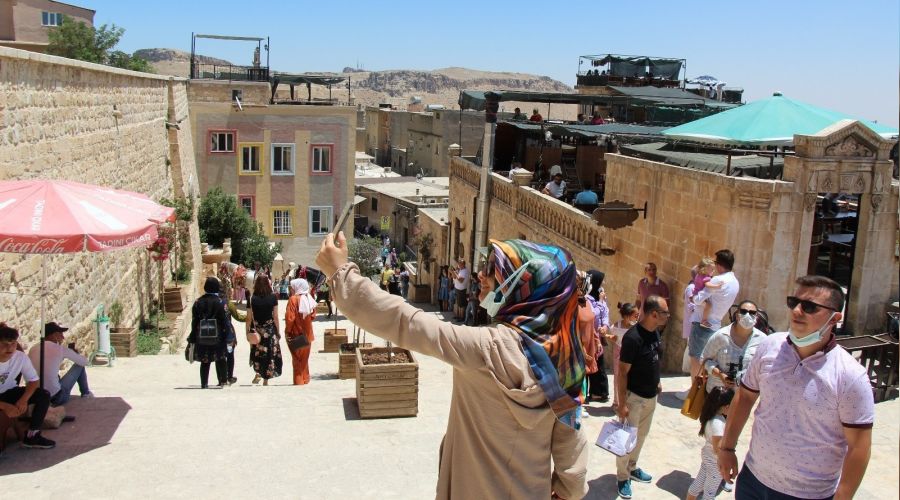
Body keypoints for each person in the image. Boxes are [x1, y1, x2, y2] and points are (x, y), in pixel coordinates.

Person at [316, 234, 589, 499]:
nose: (481, 275)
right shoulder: (567, 361)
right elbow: (572, 455)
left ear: (526, 288)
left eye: (493, 270)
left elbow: (406, 321)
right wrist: (566, 491)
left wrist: (341, 274)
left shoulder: (486, 348)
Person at [718, 276, 874, 500]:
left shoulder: (849, 376)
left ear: (835, 318)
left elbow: (859, 446)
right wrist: (726, 448)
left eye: (809, 306)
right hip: (753, 481)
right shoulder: (770, 346)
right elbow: (745, 396)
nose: (797, 311)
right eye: (794, 302)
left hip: (808, 494)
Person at [615, 295, 668, 500]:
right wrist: (622, 404)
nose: (668, 316)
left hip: (650, 396)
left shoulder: (655, 332)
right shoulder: (632, 338)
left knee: (641, 436)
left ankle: (632, 467)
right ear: (654, 314)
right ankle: (622, 477)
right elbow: (622, 373)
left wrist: (657, 380)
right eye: (665, 313)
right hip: (634, 398)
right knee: (627, 439)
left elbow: (654, 359)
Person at [0, 323, 55, 449]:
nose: (9, 348)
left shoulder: (20, 357)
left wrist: (24, 399)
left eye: (13, 343)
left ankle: (32, 436)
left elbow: (33, 381)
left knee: (43, 395)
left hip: (8, 392)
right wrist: (5, 406)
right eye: (4, 344)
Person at [689, 250, 739, 381]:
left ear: (720, 264)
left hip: (701, 324)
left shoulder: (718, 280)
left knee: (696, 358)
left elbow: (698, 299)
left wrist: (692, 298)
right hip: (716, 325)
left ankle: (694, 391)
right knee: (708, 360)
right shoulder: (735, 282)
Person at [701, 300, 766, 395]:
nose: (747, 315)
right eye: (743, 311)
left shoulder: (762, 340)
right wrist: (720, 374)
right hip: (717, 393)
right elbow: (704, 360)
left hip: (743, 396)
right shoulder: (721, 335)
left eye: (752, 312)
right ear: (737, 315)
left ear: (756, 317)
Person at [687, 386, 735, 500]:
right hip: (715, 461)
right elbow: (717, 449)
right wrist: (725, 464)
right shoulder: (718, 424)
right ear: (727, 406)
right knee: (710, 492)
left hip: (708, 456)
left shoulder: (711, 417)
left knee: (699, 482)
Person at [28, 322, 92, 405]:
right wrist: (75, 353)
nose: (63, 337)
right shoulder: (60, 349)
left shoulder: (33, 349)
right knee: (79, 366)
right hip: (56, 398)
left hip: (36, 396)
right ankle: (86, 393)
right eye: (60, 334)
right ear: (54, 335)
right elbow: (85, 362)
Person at [188, 277, 231, 388]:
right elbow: (225, 321)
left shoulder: (198, 302)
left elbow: (195, 321)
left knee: (205, 360)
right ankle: (223, 380)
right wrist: (228, 336)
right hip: (218, 336)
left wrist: (193, 335)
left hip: (202, 335)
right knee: (221, 358)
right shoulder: (221, 302)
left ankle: (204, 383)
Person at [247, 275, 282, 386]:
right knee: (269, 353)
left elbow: (248, 317)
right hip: (269, 330)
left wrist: (247, 331)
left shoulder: (252, 298)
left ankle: (258, 372)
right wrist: (278, 331)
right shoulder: (273, 297)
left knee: (257, 352)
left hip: (256, 330)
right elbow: (275, 316)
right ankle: (266, 379)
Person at [285, 278, 316, 385]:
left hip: (296, 334)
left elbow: (290, 318)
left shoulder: (293, 299)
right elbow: (313, 315)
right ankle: (305, 379)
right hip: (308, 334)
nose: (291, 289)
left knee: (297, 359)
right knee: (304, 359)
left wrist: (287, 331)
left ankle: (299, 381)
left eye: (292, 287)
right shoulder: (309, 297)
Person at [585, 270, 610, 403]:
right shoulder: (585, 297)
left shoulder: (600, 294)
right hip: (588, 336)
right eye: (600, 281)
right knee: (587, 362)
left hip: (598, 337)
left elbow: (605, 312)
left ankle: (599, 393)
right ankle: (584, 393)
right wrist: (600, 301)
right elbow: (592, 315)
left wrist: (605, 326)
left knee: (599, 364)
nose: (602, 284)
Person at [608, 302, 639, 409]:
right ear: (627, 316)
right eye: (635, 315)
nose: (637, 318)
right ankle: (617, 402)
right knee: (618, 377)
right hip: (619, 355)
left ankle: (629, 401)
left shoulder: (636, 327)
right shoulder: (616, 327)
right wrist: (606, 335)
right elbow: (614, 338)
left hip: (632, 356)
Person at [575, 272, 600, 403]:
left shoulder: (588, 302)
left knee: (584, 376)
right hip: (577, 348)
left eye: (579, 283)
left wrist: (597, 341)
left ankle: (581, 401)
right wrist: (581, 350)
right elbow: (571, 330)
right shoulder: (570, 305)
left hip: (588, 345)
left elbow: (591, 323)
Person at [692, 258, 723, 328]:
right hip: (698, 298)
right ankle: (704, 320)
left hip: (695, 296)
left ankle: (702, 320)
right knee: (709, 305)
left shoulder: (698, 275)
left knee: (705, 306)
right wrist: (717, 286)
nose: (713, 271)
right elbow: (707, 285)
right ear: (705, 269)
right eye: (712, 269)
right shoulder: (706, 277)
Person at [449, 258, 469, 322]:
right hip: (457, 288)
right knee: (458, 303)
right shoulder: (460, 270)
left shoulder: (465, 271)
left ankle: (462, 317)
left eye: (459, 264)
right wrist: (452, 272)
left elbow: (460, 280)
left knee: (462, 304)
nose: (458, 265)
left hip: (461, 289)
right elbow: (454, 277)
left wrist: (454, 273)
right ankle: (459, 315)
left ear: (463, 264)